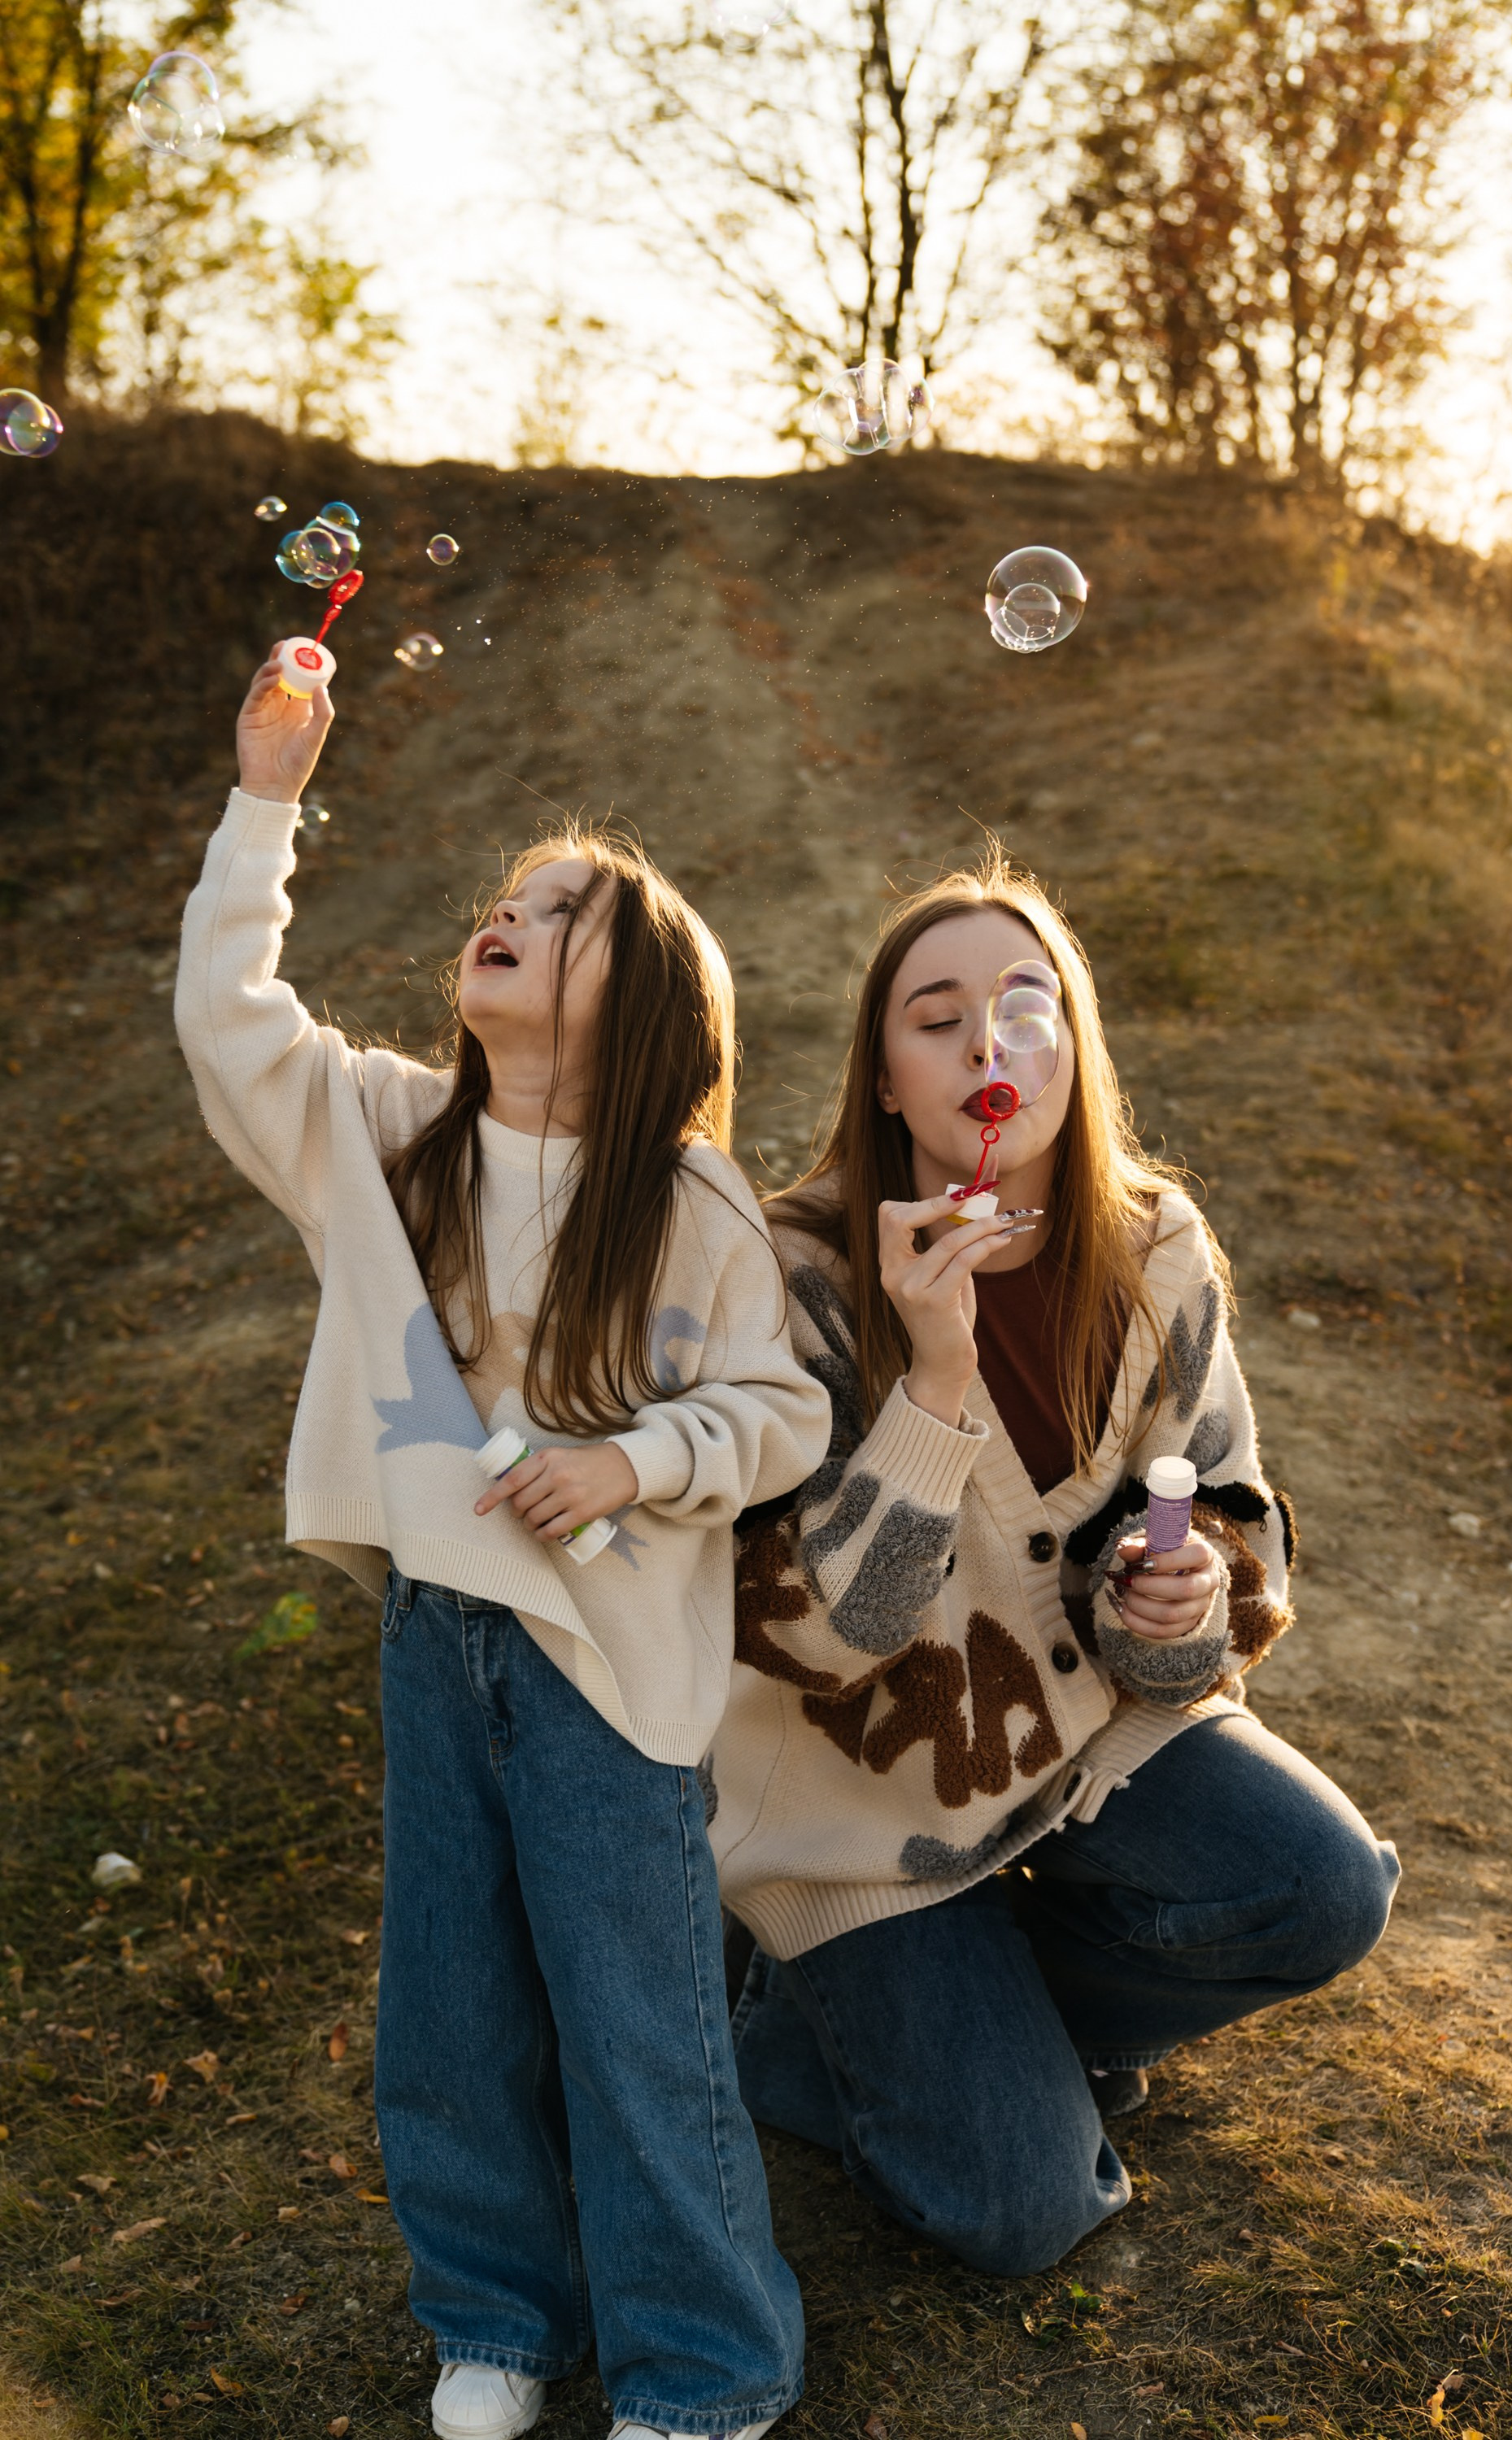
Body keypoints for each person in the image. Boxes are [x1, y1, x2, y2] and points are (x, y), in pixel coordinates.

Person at [175, 654, 830, 2440]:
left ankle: (705, 2368)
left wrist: (632, 1463)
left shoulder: (690, 1203)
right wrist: (265, 799)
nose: (508, 914)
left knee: (638, 2024)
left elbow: (783, 1418)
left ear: (646, 1009)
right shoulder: (385, 1131)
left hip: (614, 1671)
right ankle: (495, 2319)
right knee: (450, 2008)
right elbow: (231, 1023)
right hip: (439, 1639)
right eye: (507, 899)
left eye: (562, 913)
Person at [711, 846, 1398, 2277]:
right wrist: (938, 1380)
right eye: (937, 1012)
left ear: (1076, 1052)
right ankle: (793, 2034)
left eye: (1028, 1004)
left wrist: (1187, 1595)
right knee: (1023, 2213)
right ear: (886, 1078)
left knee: (1329, 1889)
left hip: (1092, 1741)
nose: (986, 1040)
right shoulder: (795, 1279)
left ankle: (984, 2029)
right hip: (870, 1819)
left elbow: (1222, 1510)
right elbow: (829, 1637)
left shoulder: (1154, 1248)